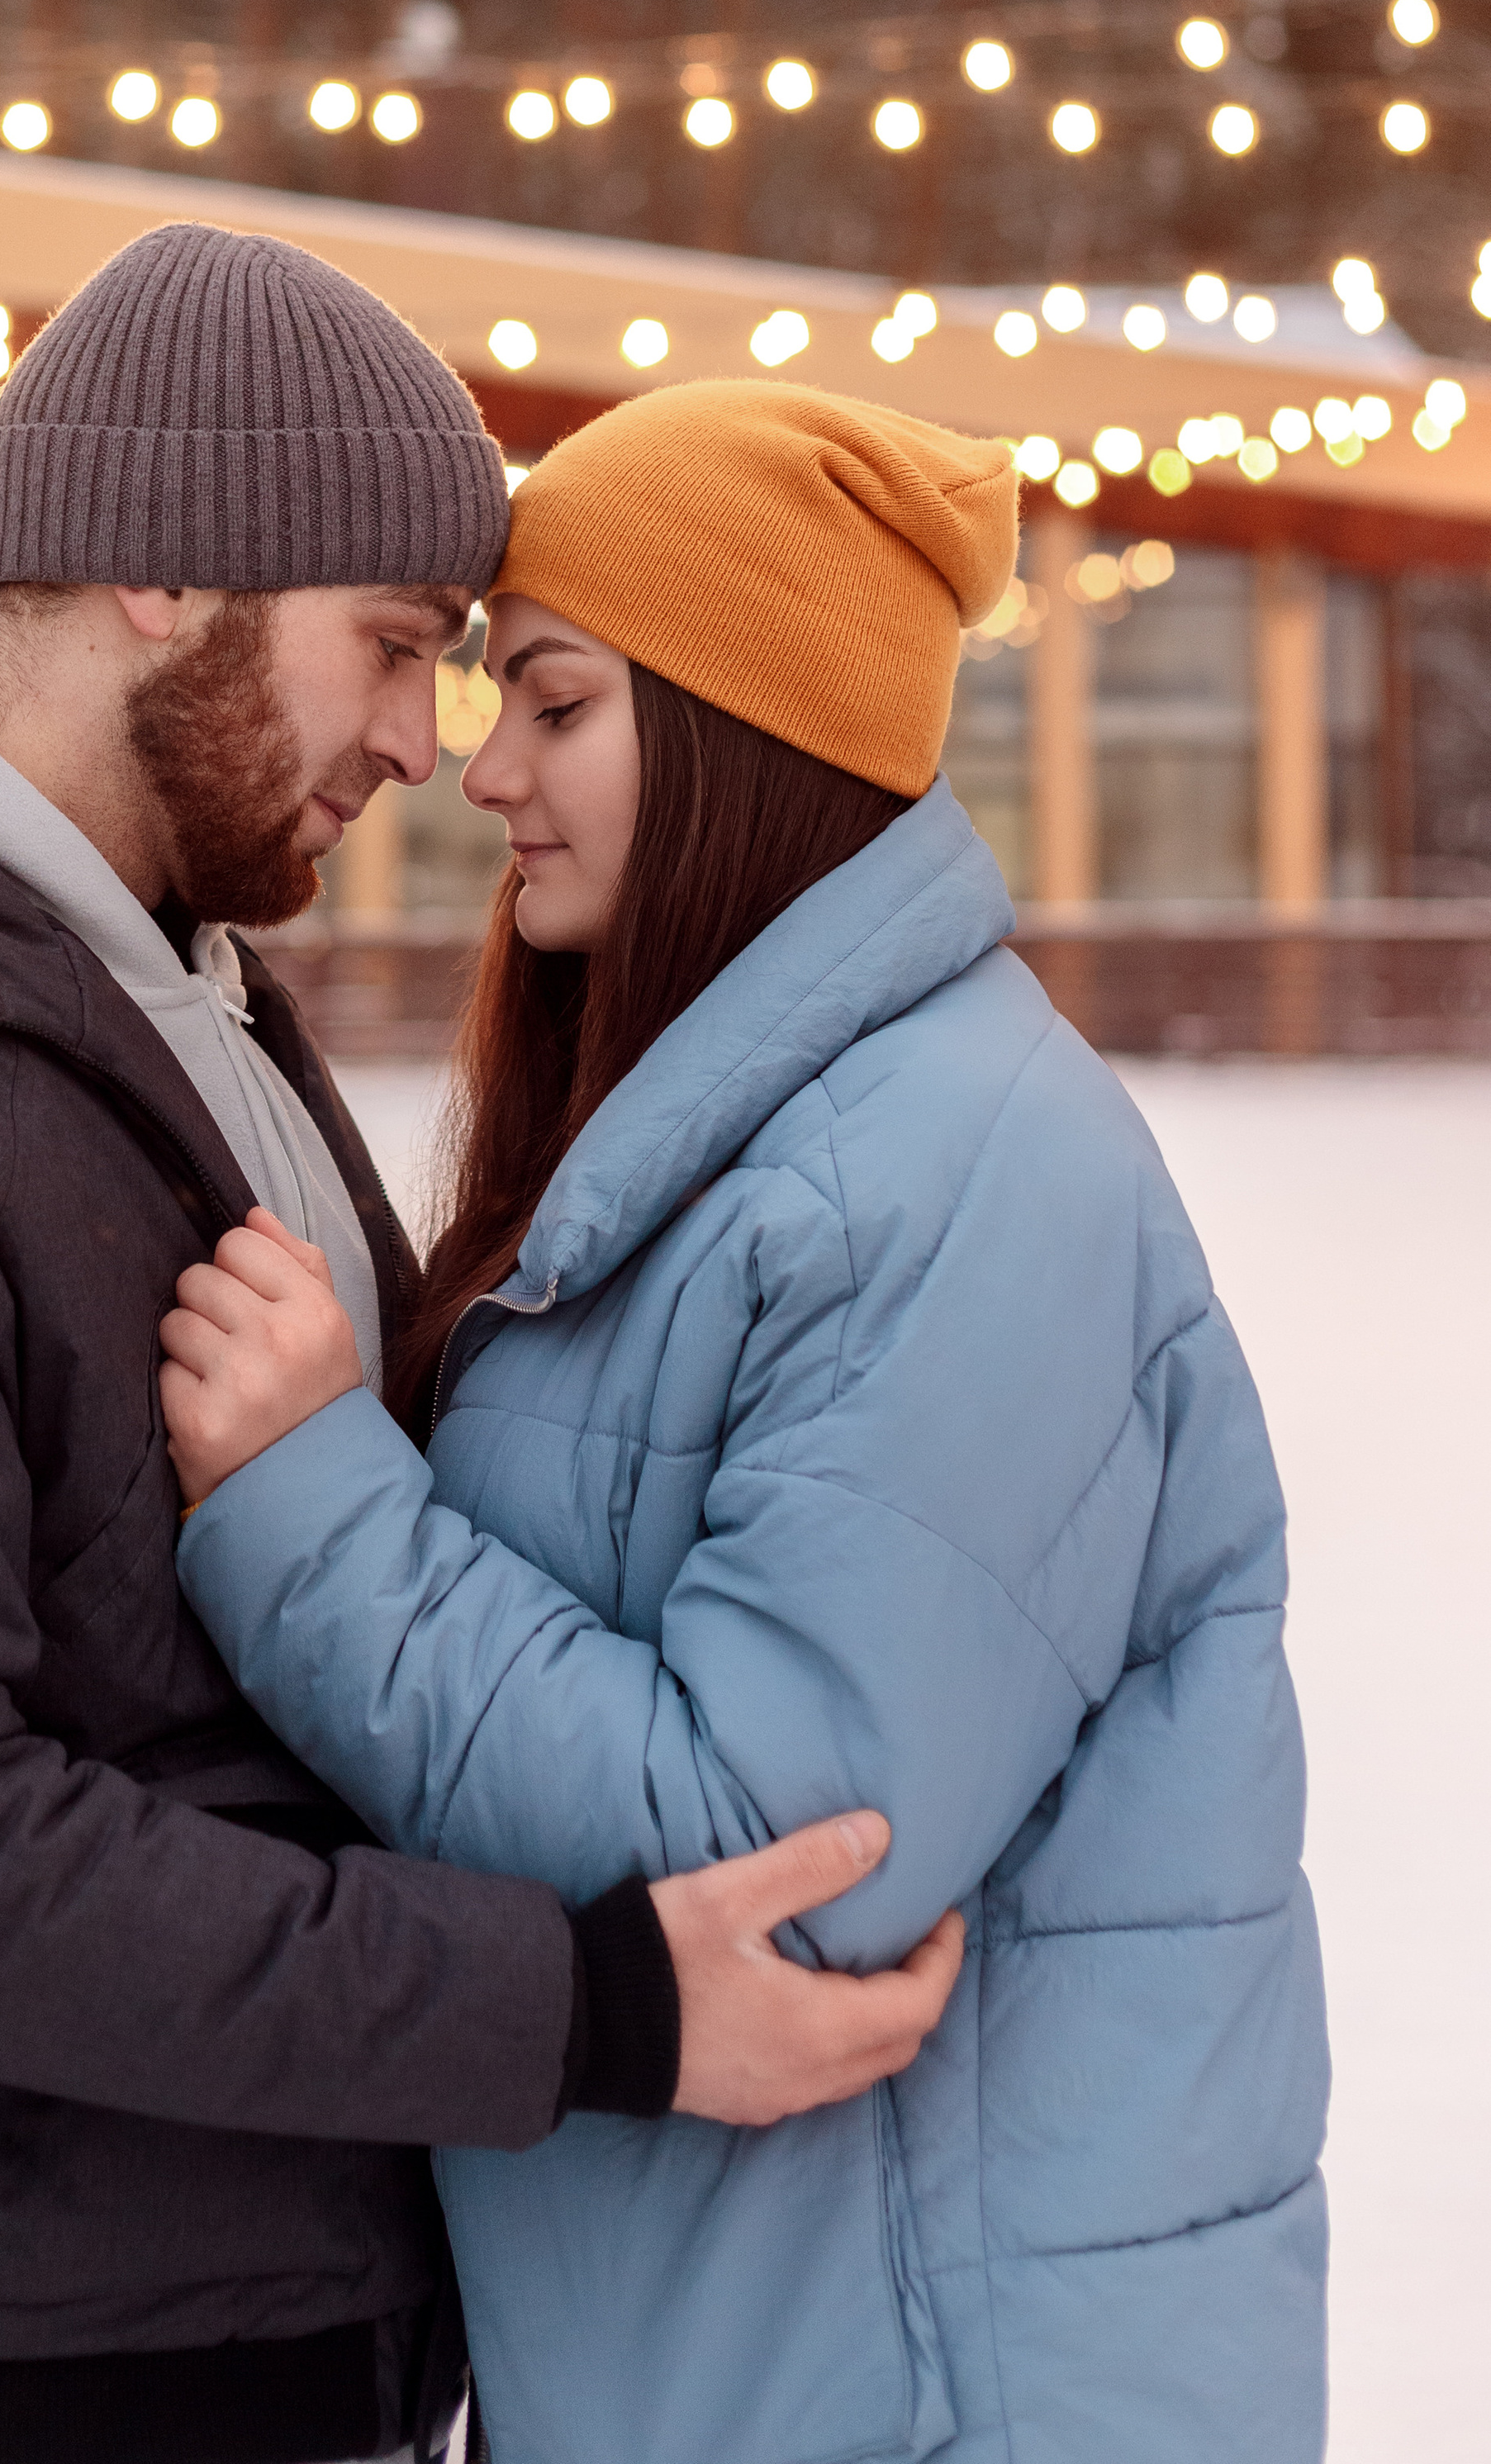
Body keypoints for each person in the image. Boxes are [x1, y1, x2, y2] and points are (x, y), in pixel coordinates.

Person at [0, 231, 962, 2464]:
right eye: (396, 646)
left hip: (227, 2353)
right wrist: (581, 2011)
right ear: (165, 570)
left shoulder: (165, 995)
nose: (424, 744)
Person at [159, 379, 1332, 2464]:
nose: (480, 770)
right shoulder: (722, 1144)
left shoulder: (950, 1179)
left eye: (555, 703)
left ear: (739, 737)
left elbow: (783, 1864)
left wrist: (314, 1511)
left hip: (927, 2392)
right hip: (747, 2352)